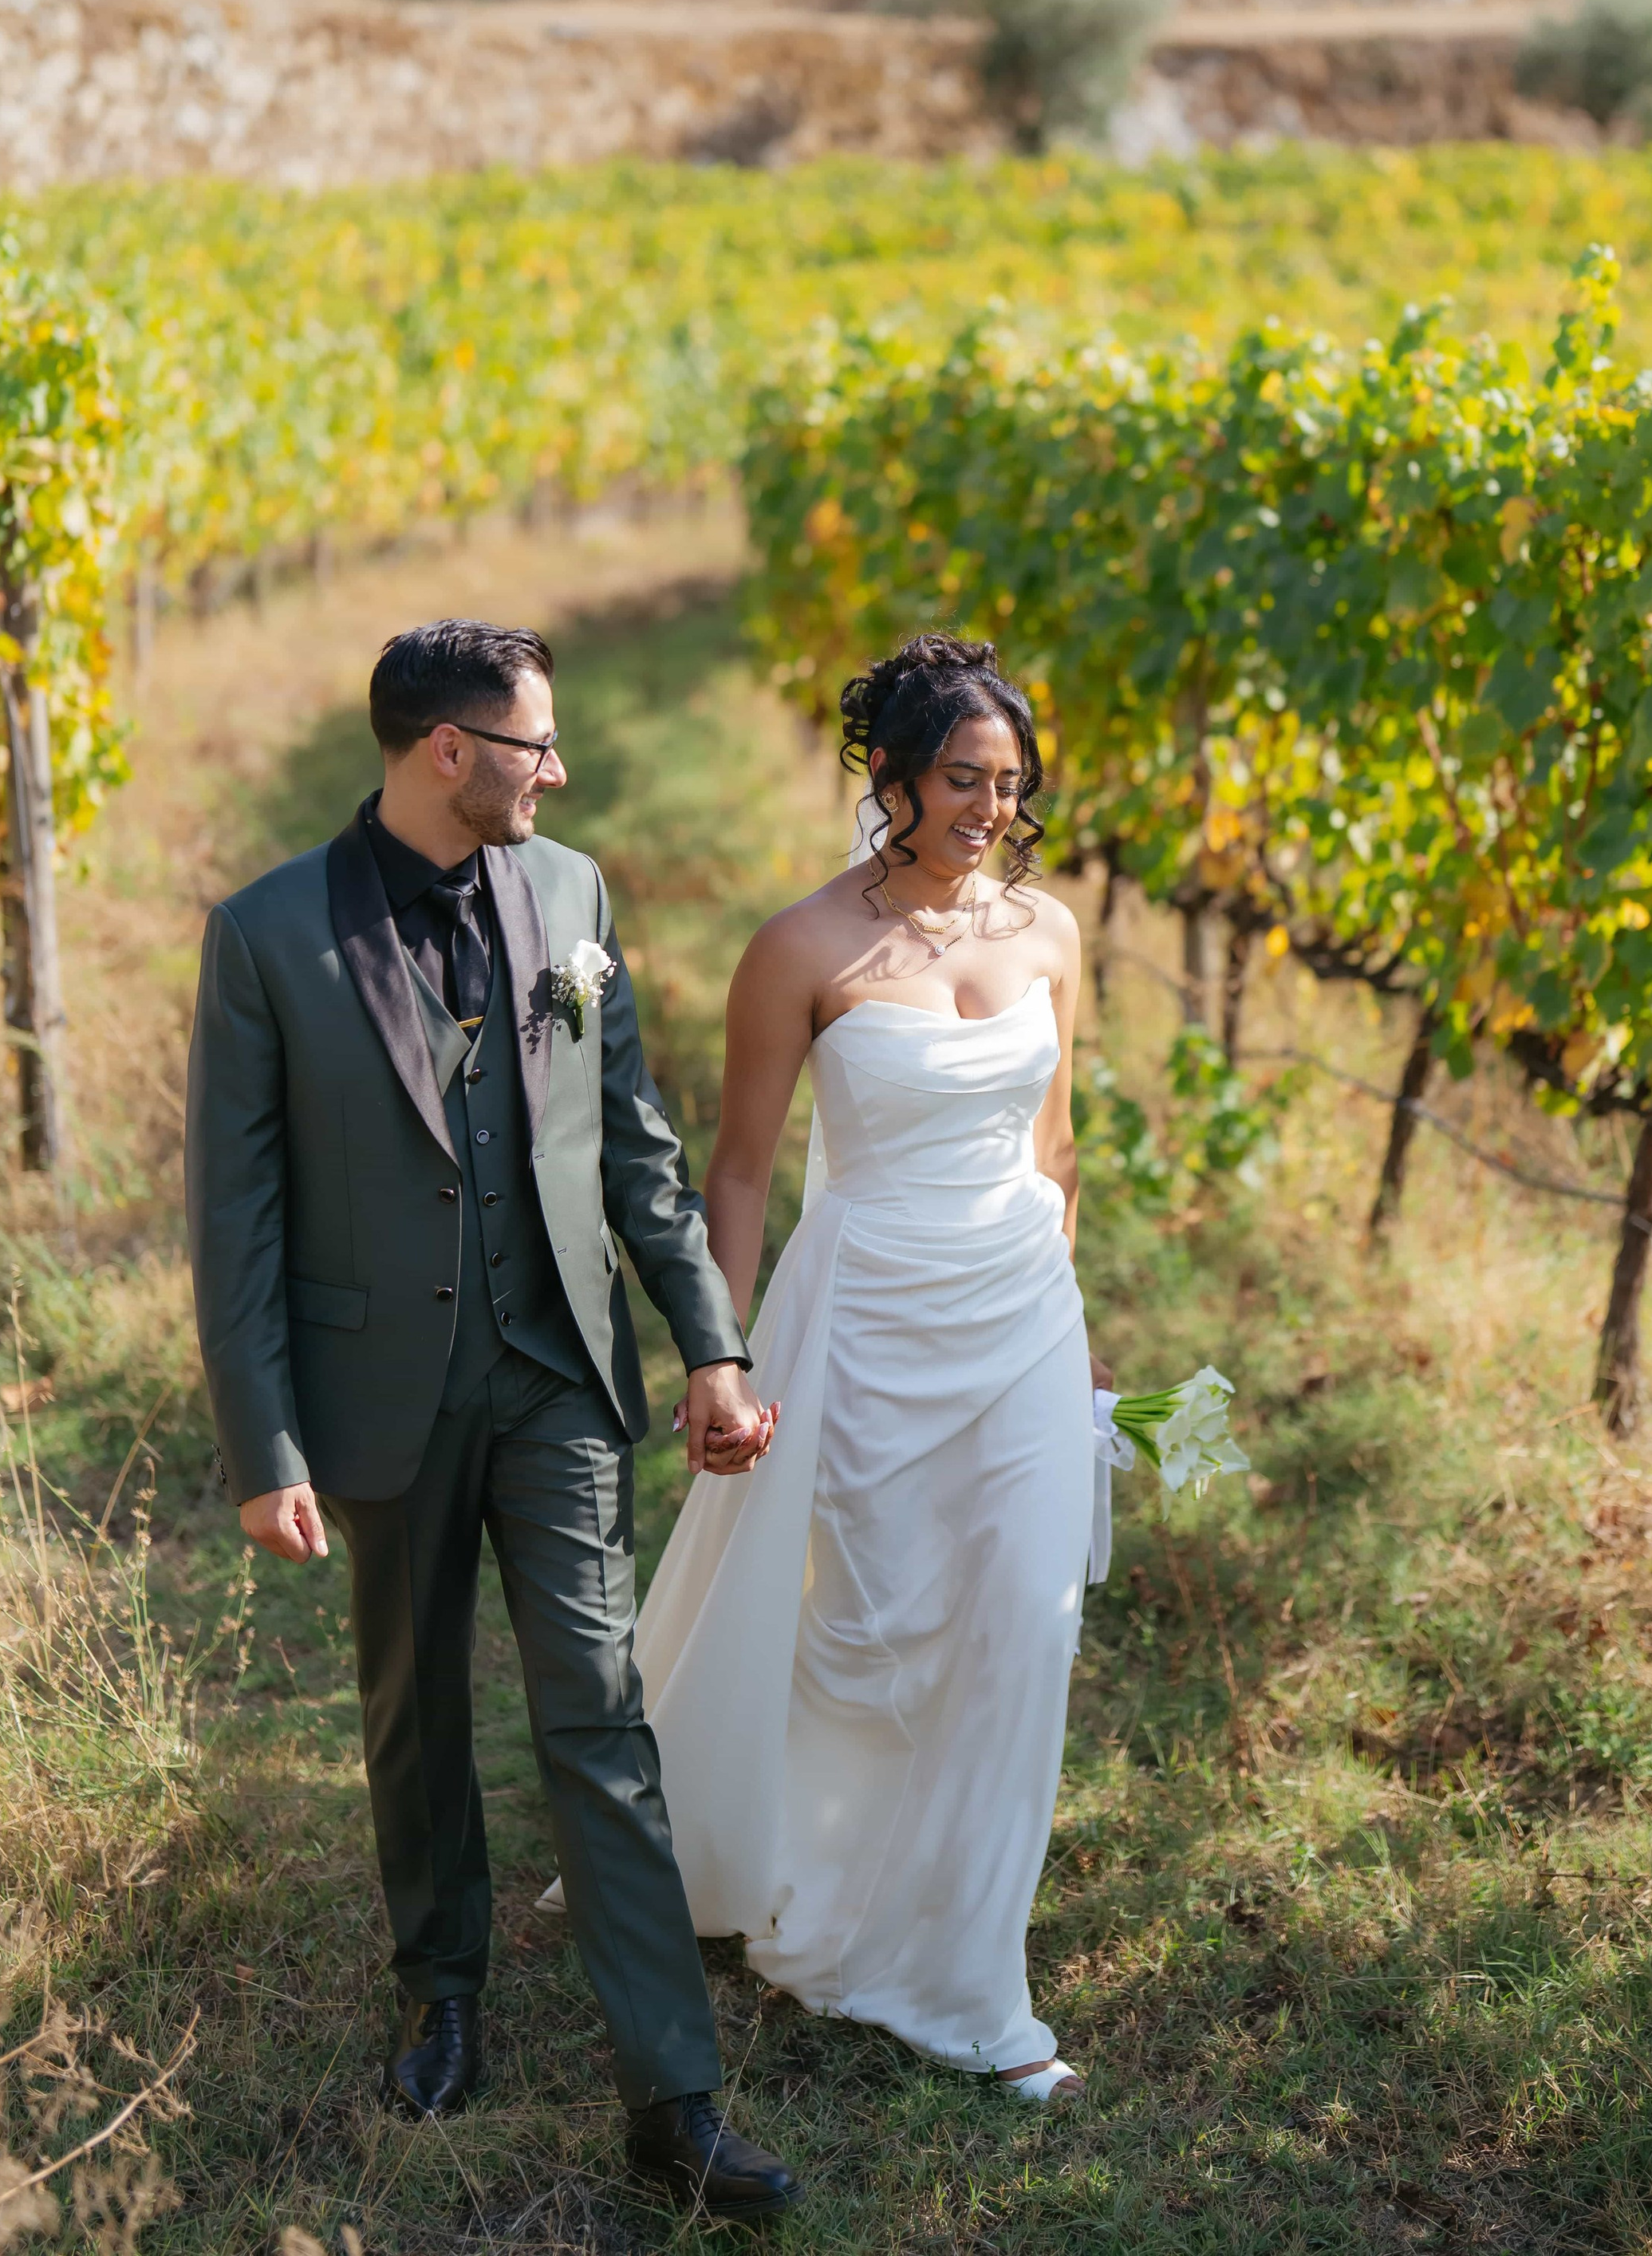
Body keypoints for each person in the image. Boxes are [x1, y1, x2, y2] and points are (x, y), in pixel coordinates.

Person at [183, 618, 802, 2223]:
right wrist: (267, 1449)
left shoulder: (571, 894)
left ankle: (670, 2096)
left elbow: (636, 1143)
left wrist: (709, 1343)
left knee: (596, 1710)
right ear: (445, 749)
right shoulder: (264, 937)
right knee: (415, 1707)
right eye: (534, 742)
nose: (560, 767)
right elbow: (233, 1216)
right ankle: (439, 1985)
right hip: (376, 1387)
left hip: (552, 1372)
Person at [587, 630, 1096, 2100]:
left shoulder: (1051, 932)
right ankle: (826, 1886)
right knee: (877, 1628)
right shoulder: (801, 948)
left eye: (1010, 783)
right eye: (960, 777)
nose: (989, 808)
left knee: (1028, 1623)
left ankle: (970, 1987)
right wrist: (721, 1358)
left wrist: (1078, 1347)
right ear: (892, 776)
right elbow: (738, 1173)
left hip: (1019, 1319)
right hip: (866, 1316)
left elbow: (1059, 1151)